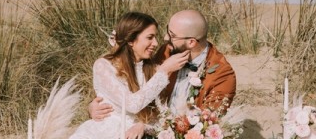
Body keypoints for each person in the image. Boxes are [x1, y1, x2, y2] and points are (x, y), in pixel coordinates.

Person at [90, 9, 236, 121]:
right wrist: (93, 106)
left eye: (172, 35)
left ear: (191, 42)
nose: (165, 38)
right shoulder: (166, 51)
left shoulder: (222, 75)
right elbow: (140, 89)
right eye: (167, 31)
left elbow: (206, 123)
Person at [69, 11, 190, 139]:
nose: (155, 43)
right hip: (105, 132)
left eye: (155, 37)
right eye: (150, 37)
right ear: (131, 40)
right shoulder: (104, 66)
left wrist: (144, 125)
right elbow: (132, 104)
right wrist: (164, 71)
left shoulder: (152, 69)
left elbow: (161, 114)